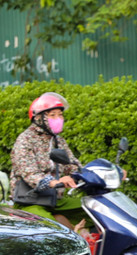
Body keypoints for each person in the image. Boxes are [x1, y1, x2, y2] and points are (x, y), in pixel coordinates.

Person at [10, 92, 88, 233]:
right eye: (52, 115)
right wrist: (53, 182)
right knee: (52, 229)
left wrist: (96, 174)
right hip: (30, 201)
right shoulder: (25, 140)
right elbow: (29, 173)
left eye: (60, 115)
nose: (58, 119)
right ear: (39, 118)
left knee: (94, 209)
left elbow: (72, 165)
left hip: (54, 199)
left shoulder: (58, 140)